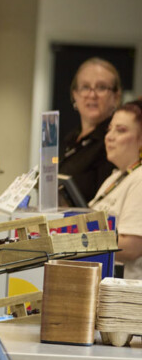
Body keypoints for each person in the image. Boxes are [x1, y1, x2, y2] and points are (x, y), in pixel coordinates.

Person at [89, 100, 142, 280]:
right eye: (109, 129)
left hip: (125, 295)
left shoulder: (140, 179)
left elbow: (132, 247)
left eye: (120, 130)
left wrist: (80, 241)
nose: (109, 137)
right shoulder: (115, 177)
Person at [61, 57, 122, 202]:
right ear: (74, 94)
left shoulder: (115, 141)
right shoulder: (71, 139)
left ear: (116, 96)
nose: (92, 95)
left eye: (101, 87)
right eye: (85, 87)